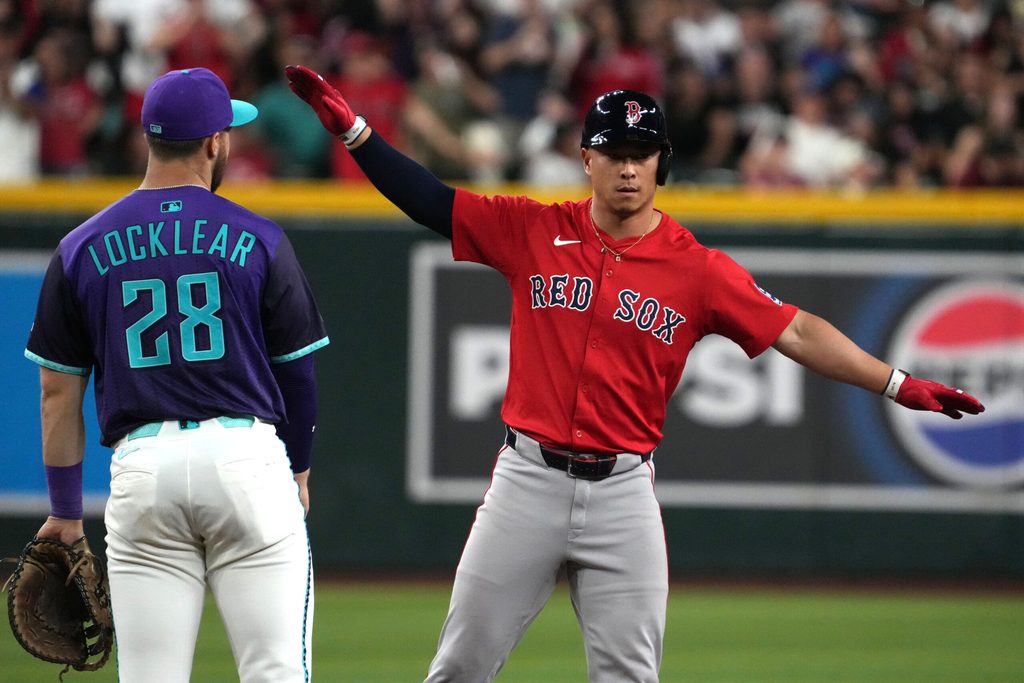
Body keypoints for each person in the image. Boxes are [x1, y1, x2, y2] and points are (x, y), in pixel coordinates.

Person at [285, 64, 984, 683]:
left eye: (641, 153)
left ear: (661, 163)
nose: (628, 168)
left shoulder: (697, 268)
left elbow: (796, 327)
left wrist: (895, 382)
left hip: (623, 494)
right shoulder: (532, 229)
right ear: (586, 159)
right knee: (459, 669)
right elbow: (431, 201)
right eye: (614, 153)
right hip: (526, 482)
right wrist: (356, 134)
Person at [24, 67, 328, 683]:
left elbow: (58, 390)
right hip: (245, 462)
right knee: (275, 671)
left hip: (143, 471)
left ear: (148, 139)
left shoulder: (80, 246)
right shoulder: (259, 237)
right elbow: (297, 372)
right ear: (215, 143)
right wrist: (297, 470)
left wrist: (64, 510)